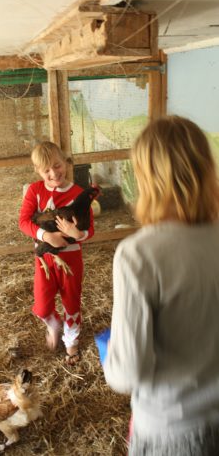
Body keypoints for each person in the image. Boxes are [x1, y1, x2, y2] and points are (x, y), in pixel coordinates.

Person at [103, 115, 219, 455]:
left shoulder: (139, 255)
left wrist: (109, 356)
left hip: (174, 428)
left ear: (146, 178)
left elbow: (127, 372)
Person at [19, 141, 94, 365]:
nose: (54, 173)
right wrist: (46, 236)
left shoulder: (79, 194)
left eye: (57, 165)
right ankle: (53, 324)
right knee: (42, 306)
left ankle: (71, 341)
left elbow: (89, 230)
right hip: (44, 259)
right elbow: (23, 222)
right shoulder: (35, 191)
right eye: (47, 170)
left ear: (65, 163)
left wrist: (76, 233)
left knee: (71, 302)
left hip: (71, 258)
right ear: (38, 171)